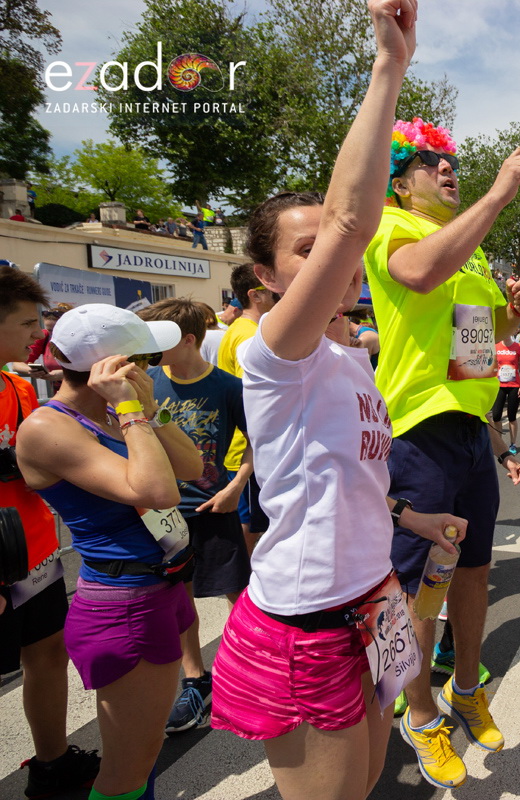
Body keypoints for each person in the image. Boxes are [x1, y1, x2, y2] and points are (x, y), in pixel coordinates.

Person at [209, 5, 419, 799]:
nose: (341, 259)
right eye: (307, 251)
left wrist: (412, 521)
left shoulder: (347, 356)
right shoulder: (276, 357)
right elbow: (350, 219)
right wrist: (387, 68)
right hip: (305, 628)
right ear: (264, 278)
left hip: (366, 609)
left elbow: (346, 482)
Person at [363, 111, 520, 789]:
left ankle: (466, 688)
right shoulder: (392, 224)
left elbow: (474, 330)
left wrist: (512, 312)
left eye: (449, 162)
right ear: (403, 185)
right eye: (431, 164)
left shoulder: (473, 243)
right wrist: (496, 196)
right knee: (406, 586)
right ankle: (417, 711)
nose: (447, 170)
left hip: (467, 424)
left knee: (471, 571)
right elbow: (422, 277)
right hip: (414, 429)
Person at [18, 304, 203, 800]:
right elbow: (157, 492)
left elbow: (190, 466)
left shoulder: (118, 412)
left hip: (157, 585)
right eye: (141, 358)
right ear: (117, 367)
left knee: (142, 756)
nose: (149, 368)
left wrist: (145, 411)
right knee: (126, 773)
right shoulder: (47, 428)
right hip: (124, 603)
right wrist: (131, 411)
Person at [1, 269, 101, 799]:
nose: (34, 333)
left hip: (35, 554)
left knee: (47, 657)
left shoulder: (19, 387)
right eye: (23, 322)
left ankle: (52, 759)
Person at [138, 298, 253, 734]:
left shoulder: (228, 387)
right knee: (179, 599)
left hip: (213, 505)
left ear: (188, 340)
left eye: (156, 340)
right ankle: (195, 679)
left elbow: (256, 441)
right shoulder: (144, 381)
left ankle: (255, 662)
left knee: (236, 591)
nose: (146, 350)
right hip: (163, 514)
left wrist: (233, 487)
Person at [218, 264, 274, 552]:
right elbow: (251, 397)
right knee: (248, 527)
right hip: (246, 449)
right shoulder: (248, 335)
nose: (278, 291)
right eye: (270, 286)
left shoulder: (240, 327)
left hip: (243, 447)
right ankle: (243, 587)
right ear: (255, 295)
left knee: (250, 524)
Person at [491, 333, 520, 453]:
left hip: (514, 385)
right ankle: (499, 443)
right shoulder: (496, 346)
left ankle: (513, 444)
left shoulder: (518, 347)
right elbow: (492, 365)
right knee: (496, 416)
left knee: (512, 416)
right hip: (499, 385)